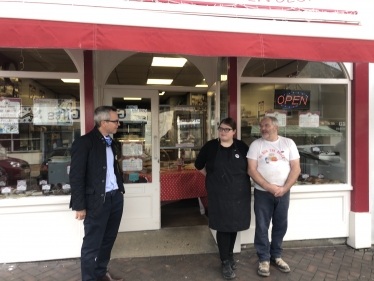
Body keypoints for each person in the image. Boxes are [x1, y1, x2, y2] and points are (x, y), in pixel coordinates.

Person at [70, 106, 124, 281]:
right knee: (92, 244)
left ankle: (100, 273)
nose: (118, 124)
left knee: (108, 240)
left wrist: (120, 189)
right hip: (96, 201)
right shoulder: (84, 142)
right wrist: (79, 206)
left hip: (115, 197)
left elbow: (113, 169)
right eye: (115, 121)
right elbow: (76, 176)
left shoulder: (111, 142)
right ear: (103, 122)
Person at [195, 117, 251, 280]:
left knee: (234, 225)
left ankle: (230, 255)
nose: (223, 132)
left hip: (239, 193)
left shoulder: (241, 146)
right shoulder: (210, 147)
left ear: (234, 132)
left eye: (227, 129)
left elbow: (251, 167)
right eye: (221, 128)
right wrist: (210, 177)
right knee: (222, 226)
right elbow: (199, 165)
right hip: (218, 193)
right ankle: (225, 261)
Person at [247, 116, 300, 277]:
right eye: (261, 125)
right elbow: (251, 170)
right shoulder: (256, 145)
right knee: (262, 226)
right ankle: (264, 258)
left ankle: (276, 255)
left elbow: (296, 168)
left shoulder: (288, 143)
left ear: (276, 127)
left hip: (283, 193)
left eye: (266, 125)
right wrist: (268, 186)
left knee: (280, 225)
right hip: (263, 193)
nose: (263, 128)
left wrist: (284, 188)